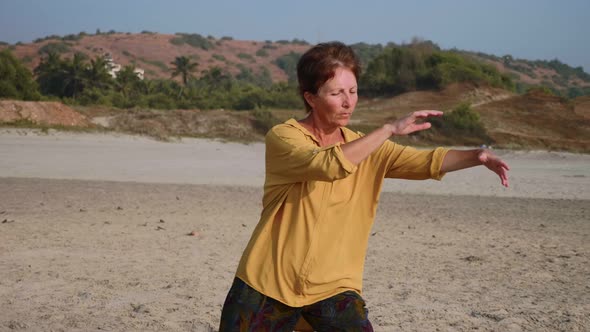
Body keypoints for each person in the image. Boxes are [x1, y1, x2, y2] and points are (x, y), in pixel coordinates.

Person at [219, 41, 509, 331]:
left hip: (333, 286)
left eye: (353, 91)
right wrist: (388, 129)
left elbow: (426, 162)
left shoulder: (368, 148)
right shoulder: (284, 138)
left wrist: (477, 156)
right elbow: (327, 165)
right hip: (269, 281)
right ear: (311, 97)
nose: (348, 101)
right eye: (336, 93)